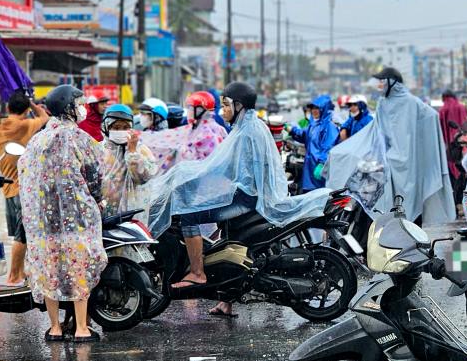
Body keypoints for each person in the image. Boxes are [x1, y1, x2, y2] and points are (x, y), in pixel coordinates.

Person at [145, 82, 330, 317]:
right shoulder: (246, 126)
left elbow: (224, 167)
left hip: (246, 198)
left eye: (225, 105)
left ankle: (198, 273)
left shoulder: (248, 131)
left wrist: (191, 176)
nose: (223, 110)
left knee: (189, 215)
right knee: (228, 239)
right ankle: (226, 300)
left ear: (238, 105)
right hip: (242, 192)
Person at [19, 85, 106, 343]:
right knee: (79, 268)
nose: (82, 108)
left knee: (50, 269)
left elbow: (25, 175)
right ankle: (81, 328)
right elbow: (95, 174)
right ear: (69, 107)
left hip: (45, 221)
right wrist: (98, 200)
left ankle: (55, 327)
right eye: (79, 103)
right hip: (78, 219)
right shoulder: (78, 138)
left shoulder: (38, 140)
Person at [327, 67, 456, 224]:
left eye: (382, 81)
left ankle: (412, 242)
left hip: (410, 165)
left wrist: (418, 143)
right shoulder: (383, 104)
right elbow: (376, 132)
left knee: (410, 208)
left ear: (392, 82)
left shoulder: (413, 103)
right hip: (387, 162)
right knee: (386, 209)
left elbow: (431, 117)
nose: (380, 85)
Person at [0, 89, 49, 285]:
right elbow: (44, 116)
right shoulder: (27, 125)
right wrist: (32, 103)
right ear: (25, 109)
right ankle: (14, 275)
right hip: (24, 187)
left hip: (6, 186)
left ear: (7, 107)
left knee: (18, 232)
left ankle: (20, 272)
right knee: (22, 234)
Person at [143, 92, 228, 174]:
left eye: (191, 108)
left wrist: (180, 149)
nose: (188, 112)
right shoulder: (197, 129)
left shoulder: (206, 132)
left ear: (199, 110)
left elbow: (201, 163)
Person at [100, 104, 157, 222]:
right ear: (106, 127)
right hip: (105, 214)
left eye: (125, 127)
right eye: (116, 127)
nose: (121, 131)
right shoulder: (98, 150)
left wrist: (132, 152)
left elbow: (142, 178)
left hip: (133, 212)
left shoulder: (141, 150)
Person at [288, 94, 338, 192]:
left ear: (324, 109)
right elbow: (303, 135)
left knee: (320, 195)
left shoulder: (329, 127)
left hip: (319, 168)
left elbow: (329, 147)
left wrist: (321, 164)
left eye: (317, 108)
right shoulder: (312, 125)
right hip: (310, 167)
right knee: (309, 195)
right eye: (312, 108)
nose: (314, 111)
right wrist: (290, 129)